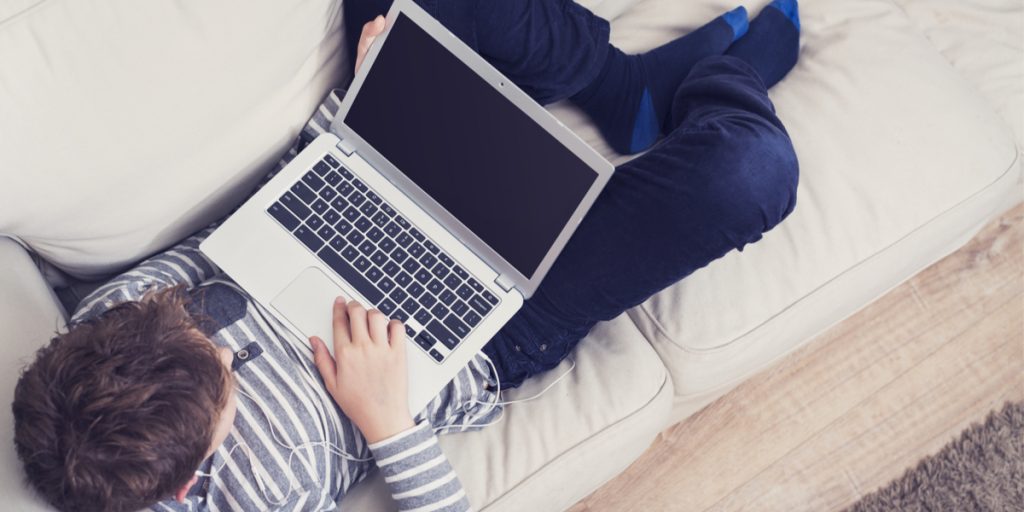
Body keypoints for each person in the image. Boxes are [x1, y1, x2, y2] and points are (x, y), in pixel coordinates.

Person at [11, 0, 801, 510]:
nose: (222, 337)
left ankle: (619, 87)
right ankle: (720, 80)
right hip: (494, 330)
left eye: (198, 326)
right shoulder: (250, 500)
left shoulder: (106, 322)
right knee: (750, 174)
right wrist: (386, 420)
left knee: (405, 16)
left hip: (368, 182)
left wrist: (360, 105)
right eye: (225, 374)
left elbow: (234, 233)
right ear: (188, 482)